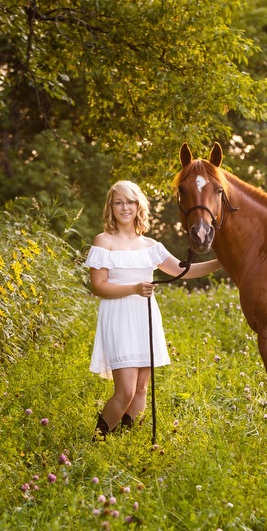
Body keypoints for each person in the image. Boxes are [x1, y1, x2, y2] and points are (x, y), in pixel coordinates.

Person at [85, 180, 222, 439]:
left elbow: (185, 271)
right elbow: (98, 287)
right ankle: (95, 443)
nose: (125, 207)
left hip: (145, 318)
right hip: (119, 318)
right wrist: (134, 288)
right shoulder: (104, 241)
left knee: (141, 389)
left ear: (139, 206)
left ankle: (123, 443)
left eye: (130, 202)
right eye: (119, 202)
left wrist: (223, 262)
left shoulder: (150, 246)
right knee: (124, 391)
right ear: (111, 207)